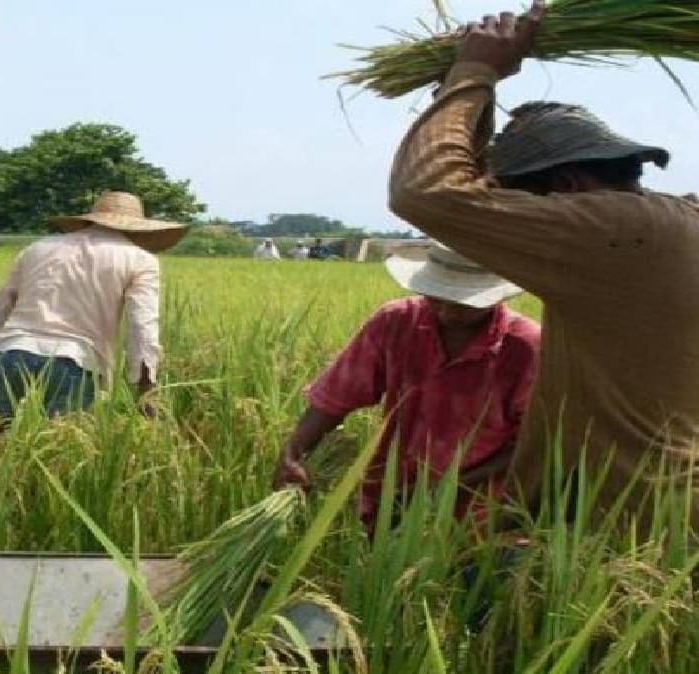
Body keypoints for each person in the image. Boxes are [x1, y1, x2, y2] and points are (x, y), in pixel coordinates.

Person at [388, 0, 699, 531]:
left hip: (618, 523)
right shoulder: (663, 227)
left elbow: (426, 192)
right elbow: (468, 195)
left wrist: (476, 69)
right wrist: (467, 89)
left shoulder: (607, 231)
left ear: (569, 189)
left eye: (519, 199)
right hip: (635, 508)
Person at [273, 243, 540, 529]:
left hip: (480, 515)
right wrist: (294, 450)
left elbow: (536, 444)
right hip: (388, 499)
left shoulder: (527, 347)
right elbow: (335, 396)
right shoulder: (395, 322)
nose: (447, 311)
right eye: (437, 297)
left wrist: (443, 491)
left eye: (464, 302)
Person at [0, 191, 187, 424]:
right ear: (138, 228)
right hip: (74, 361)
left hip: (8, 352)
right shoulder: (141, 260)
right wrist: (146, 387)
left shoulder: (39, 248)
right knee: (60, 450)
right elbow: (142, 326)